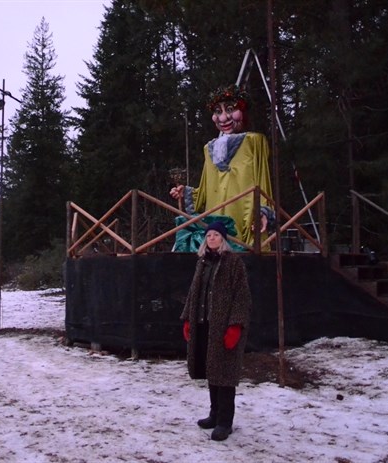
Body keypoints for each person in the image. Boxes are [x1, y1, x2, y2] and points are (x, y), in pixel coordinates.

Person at [170, 84, 274, 247]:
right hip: (216, 222)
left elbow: (263, 181)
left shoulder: (253, 141)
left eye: (230, 110)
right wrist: (187, 193)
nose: (224, 118)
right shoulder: (209, 149)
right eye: (218, 112)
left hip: (244, 218)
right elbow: (205, 191)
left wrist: (262, 210)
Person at [180, 220, 252, 441]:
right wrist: (188, 319)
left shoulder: (233, 263)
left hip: (223, 325)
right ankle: (213, 414)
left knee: (225, 374)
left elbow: (242, 296)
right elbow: (194, 292)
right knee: (212, 370)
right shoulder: (202, 262)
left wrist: (235, 325)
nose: (212, 239)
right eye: (209, 235)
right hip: (204, 324)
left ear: (223, 239)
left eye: (216, 235)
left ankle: (224, 422)